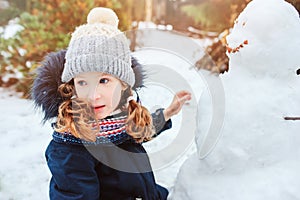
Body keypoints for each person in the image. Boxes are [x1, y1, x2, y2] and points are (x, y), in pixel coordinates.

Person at [32, 7, 191, 200]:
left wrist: (167, 113)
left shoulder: (120, 115)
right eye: (82, 82)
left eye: (104, 81)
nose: (93, 95)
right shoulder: (72, 149)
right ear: (72, 86)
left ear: (123, 85)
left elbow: (137, 130)